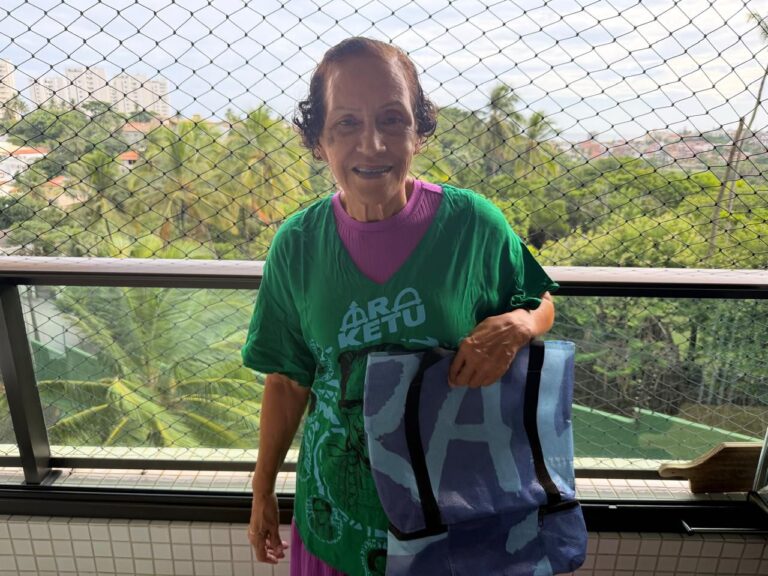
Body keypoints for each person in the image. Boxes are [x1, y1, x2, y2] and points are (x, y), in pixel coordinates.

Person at [242, 36, 557, 576]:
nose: (372, 144)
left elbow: (538, 299)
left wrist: (519, 323)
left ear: (419, 131)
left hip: (453, 517)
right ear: (319, 140)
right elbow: (288, 380)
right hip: (336, 520)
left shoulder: (471, 224)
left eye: (392, 119)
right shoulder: (297, 243)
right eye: (347, 123)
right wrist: (263, 490)